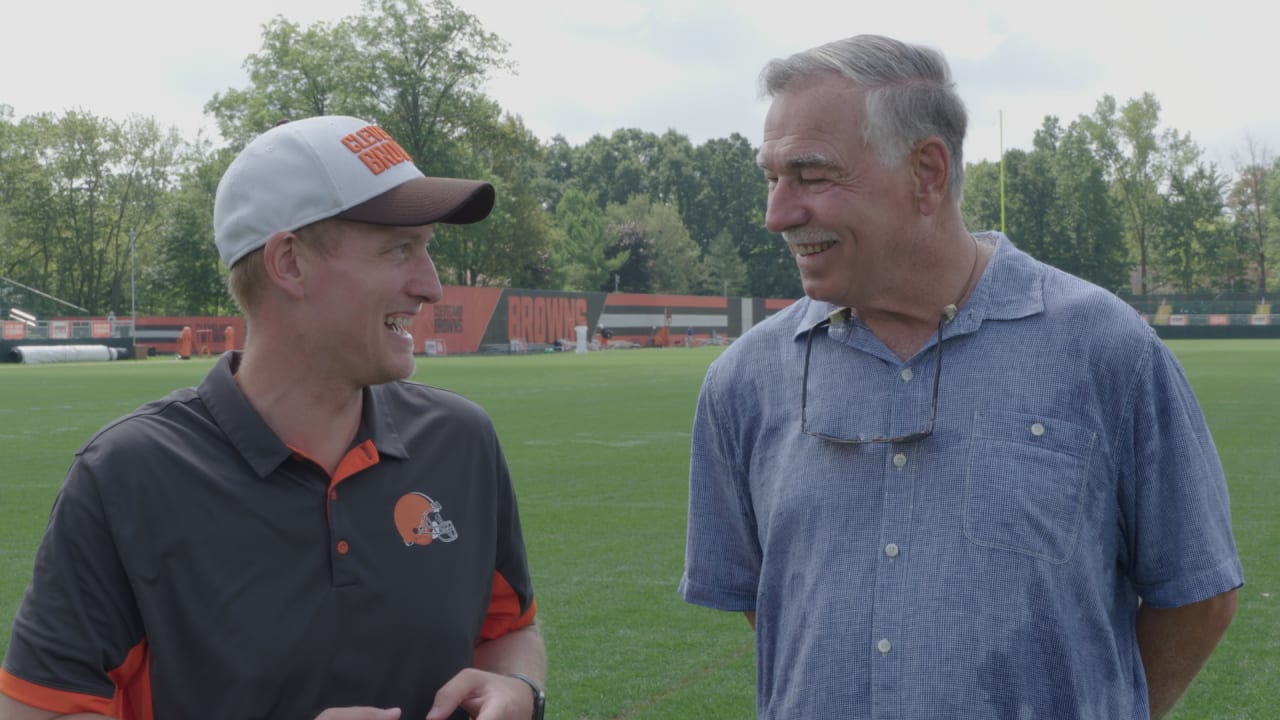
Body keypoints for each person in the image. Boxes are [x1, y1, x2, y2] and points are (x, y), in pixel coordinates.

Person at [679, 35, 1242, 720]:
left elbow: (1199, 595)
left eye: (813, 176)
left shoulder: (1106, 349)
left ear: (927, 173)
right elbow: (774, 606)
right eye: (772, 177)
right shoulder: (744, 380)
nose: (777, 214)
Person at [1, 116, 546, 720]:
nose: (432, 286)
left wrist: (519, 687)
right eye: (399, 249)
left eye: (427, 249)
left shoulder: (461, 441)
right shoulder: (127, 477)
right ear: (289, 263)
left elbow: (510, 630)